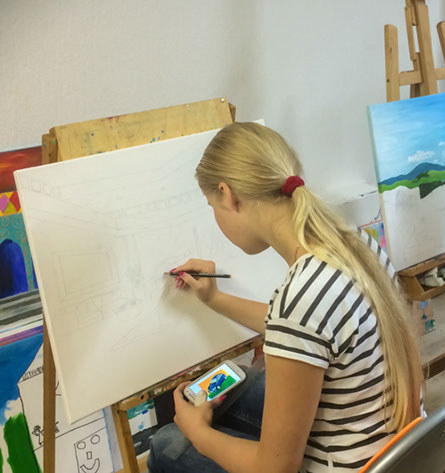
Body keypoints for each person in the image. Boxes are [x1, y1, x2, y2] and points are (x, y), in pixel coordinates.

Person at [147, 123, 424, 473]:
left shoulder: (301, 297)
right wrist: (215, 298)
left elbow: (275, 469)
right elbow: (307, 332)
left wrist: (198, 433)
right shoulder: (353, 243)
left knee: (168, 444)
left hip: (352, 466)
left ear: (228, 194)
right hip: (398, 447)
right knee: (240, 379)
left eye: (211, 206)